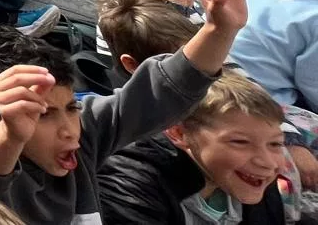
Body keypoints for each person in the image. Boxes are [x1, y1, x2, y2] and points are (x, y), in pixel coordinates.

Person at [0, 0, 252, 225]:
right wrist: (11, 134)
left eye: (70, 107)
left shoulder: (85, 128)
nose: (70, 131)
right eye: (42, 115)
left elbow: (156, 95)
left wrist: (218, 30)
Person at [97, 72, 286, 225]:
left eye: (275, 144)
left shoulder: (250, 176)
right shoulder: (131, 185)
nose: (268, 163)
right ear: (179, 133)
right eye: (240, 142)